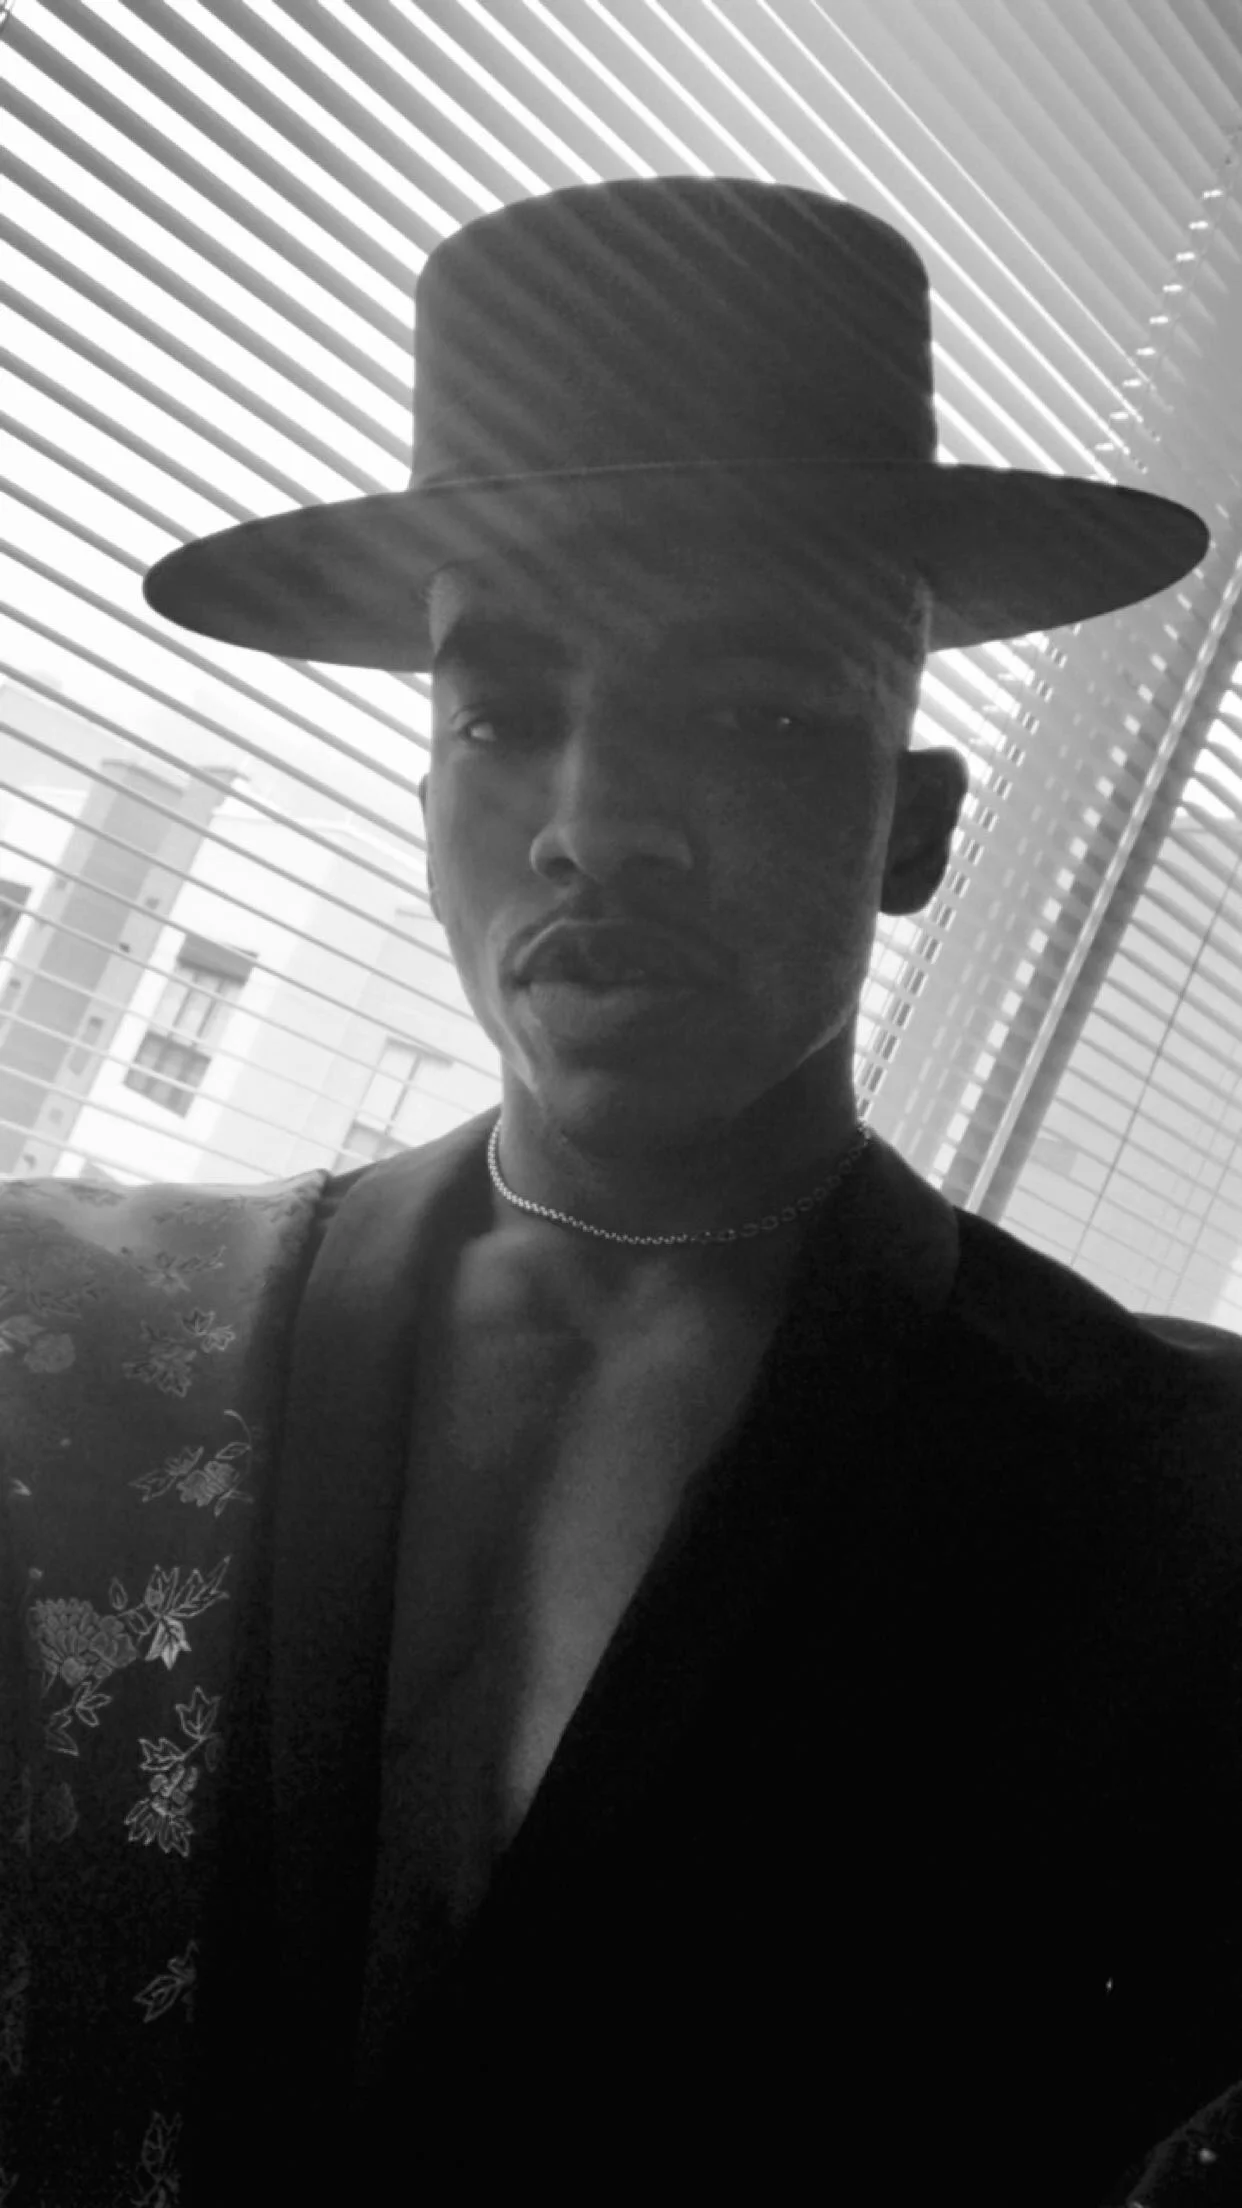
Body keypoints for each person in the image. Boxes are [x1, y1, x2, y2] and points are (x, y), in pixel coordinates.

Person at [2, 176, 1240, 2207]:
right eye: (502, 714)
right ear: (426, 798)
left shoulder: (1173, 1510)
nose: (594, 825)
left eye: (753, 712)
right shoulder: (64, 1344)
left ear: (911, 823)